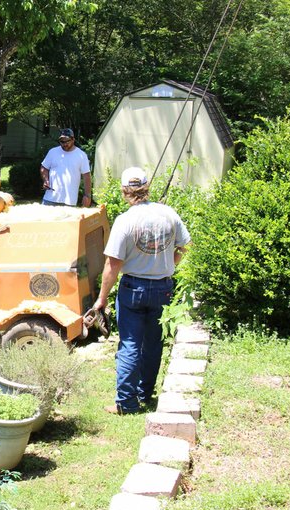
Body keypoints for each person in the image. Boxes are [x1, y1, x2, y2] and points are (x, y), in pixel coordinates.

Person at [92, 167, 191, 415]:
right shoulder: (169, 214)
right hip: (163, 287)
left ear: (125, 191)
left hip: (133, 288)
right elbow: (186, 247)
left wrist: (101, 300)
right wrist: (170, 264)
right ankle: (145, 393)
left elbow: (112, 265)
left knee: (129, 344)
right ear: (147, 187)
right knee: (153, 343)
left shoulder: (125, 221)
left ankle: (126, 402)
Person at [40, 128, 92, 207]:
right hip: (49, 199)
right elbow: (44, 167)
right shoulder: (53, 152)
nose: (64, 144)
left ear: (73, 139)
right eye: (62, 141)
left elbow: (86, 176)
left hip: (69, 201)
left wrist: (87, 195)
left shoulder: (81, 155)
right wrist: (46, 180)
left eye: (67, 141)